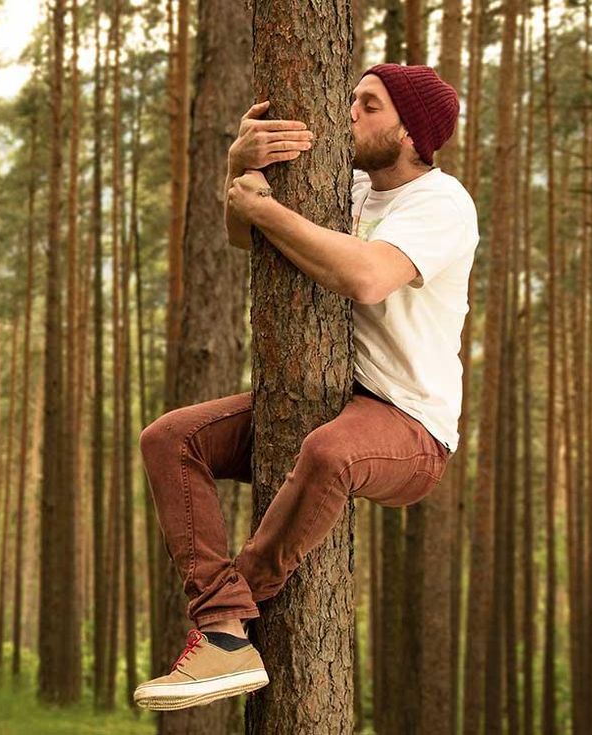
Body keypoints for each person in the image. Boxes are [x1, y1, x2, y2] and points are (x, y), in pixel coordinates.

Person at [132, 63, 479, 712]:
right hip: (336, 400)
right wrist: (240, 167)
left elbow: (368, 278)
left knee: (329, 451)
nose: (348, 111)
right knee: (171, 437)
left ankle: (224, 625)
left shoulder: (442, 203)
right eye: (352, 98)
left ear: (411, 132)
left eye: (368, 105)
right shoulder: (339, 187)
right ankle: (225, 629)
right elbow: (247, 236)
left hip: (411, 428)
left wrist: (263, 205)